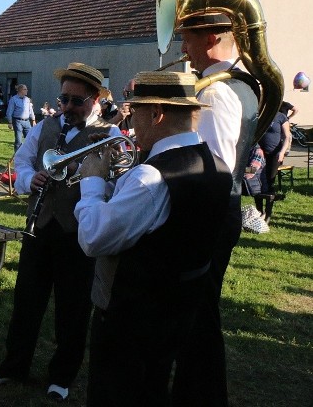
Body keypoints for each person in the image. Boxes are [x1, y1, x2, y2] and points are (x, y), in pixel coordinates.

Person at [73, 71, 232, 406]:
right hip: (177, 311)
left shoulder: (152, 175)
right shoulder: (217, 165)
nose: (130, 122)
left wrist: (91, 182)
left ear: (157, 114)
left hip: (130, 318)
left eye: (136, 112)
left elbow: (93, 238)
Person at [0, 62, 120, 402]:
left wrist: (89, 178)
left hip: (78, 232)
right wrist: (29, 179)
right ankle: (14, 364)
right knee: (26, 301)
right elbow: (22, 160)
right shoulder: (45, 126)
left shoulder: (110, 134)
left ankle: (62, 375)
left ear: (95, 99)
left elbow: (117, 181)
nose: (67, 108)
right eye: (63, 99)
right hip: (39, 225)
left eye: (76, 101)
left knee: (72, 307)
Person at [173, 13, 258, 406]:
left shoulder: (216, 91)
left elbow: (213, 166)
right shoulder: (242, 85)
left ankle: (200, 395)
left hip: (209, 213)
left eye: (187, 39)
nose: (183, 49)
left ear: (209, 39)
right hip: (222, 209)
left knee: (198, 317)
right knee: (199, 313)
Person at [254, 110, 291, 222]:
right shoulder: (259, 115)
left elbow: (287, 137)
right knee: (256, 182)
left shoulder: (281, 117)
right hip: (258, 154)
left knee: (270, 181)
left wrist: (282, 151)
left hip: (274, 155)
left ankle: (268, 213)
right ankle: (259, 211)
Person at [5, 84, 36, 150]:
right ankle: (17, 157)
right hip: (17, 121)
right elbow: (9, 112)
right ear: (20, 90)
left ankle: (28, 156)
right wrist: (10, 122)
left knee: (30, 139)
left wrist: (33, 120)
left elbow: (30, 110)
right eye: (25, 89)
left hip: (27, 122)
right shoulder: (13, 99)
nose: (27, 90)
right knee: (18, 140)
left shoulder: (27, 99)